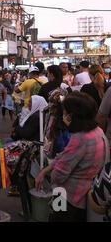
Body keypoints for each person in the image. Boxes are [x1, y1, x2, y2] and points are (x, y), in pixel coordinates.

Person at [35, 92, 106, 222]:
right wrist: (45, 170)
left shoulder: (79, 139)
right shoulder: (98, 131)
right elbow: (64, 156)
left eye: (64, 112)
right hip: (85, 194)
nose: (62, 116)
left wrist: (50, 173)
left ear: (70, 116)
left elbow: (59, 175)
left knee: (56, 218)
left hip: (67, 196)